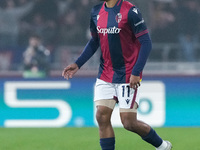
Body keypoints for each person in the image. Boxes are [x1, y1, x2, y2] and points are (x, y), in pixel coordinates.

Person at [62, 0, 172, 150]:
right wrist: (78, 63)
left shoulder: (130, 11)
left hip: (128, 73)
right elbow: (95, 40)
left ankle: (162, 146)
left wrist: (136, 71)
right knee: (101, 115)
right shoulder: (95, 11)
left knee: (128, 122)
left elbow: (146, 42)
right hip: (105, 73)